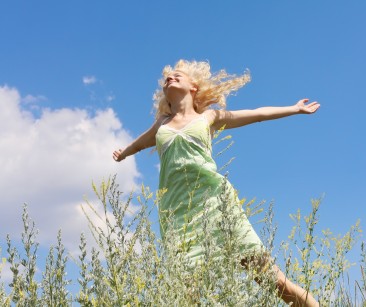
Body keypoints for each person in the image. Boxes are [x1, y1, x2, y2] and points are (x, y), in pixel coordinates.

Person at [113, 60, 320, 306]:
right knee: (185, 293)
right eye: (167, 78)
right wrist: (123, 153)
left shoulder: (208, 117)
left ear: (194, 87)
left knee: (269, 278)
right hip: (178, 214)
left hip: (216, 205)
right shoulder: (162, 125)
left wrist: (294, 109)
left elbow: (256, 115)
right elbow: (139, 143)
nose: (170, 78)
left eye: (177, 75)